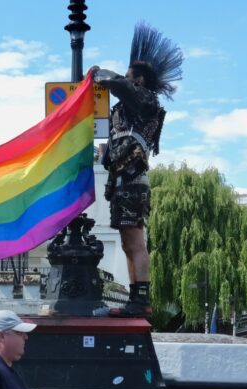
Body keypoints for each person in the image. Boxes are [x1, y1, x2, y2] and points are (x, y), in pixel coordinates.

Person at [90, 22, 183, 318]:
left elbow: (119, 85)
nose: (125, 80)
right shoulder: (124, 110)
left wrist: (100, 75)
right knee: (128, 242)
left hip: (131, 177)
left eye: (130, 75)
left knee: (134, 241)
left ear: (139, 79)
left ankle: (140, 299)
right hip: (120, 179)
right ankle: (135, 298)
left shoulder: (145, 101)